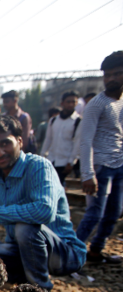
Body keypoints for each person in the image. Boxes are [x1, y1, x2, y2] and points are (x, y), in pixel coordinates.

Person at [0, 116, 87, 289]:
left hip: (63, 254)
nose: (0, 152)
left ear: (19, 141)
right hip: (20, 250)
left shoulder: (38, 166)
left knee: (25, 227)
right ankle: (22, 278)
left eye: (5, 144)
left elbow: (44, 211)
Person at [76, 51, 123, 265]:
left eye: (117, 74)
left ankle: (95, 251)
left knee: (114, 212)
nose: (111, 79)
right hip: (100, 167)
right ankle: (71, 254)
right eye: (107, 75)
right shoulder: (97, 104)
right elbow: (85, 140)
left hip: (119, 166)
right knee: (94, 213)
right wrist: (88, 173)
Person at [41, 92, 82, 186]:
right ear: (62, 103)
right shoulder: (53, 120)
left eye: (73, 102)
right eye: (68, 102)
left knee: (59, 186)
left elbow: (77, 143)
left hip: (65, 161)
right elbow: (48, 139)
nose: (71, 104)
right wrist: (43, 155)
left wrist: (71, 162)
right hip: (51, 159)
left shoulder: (78, 121)